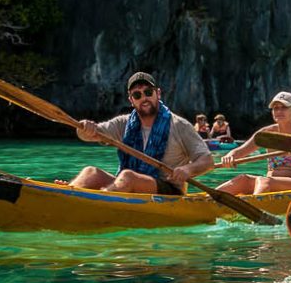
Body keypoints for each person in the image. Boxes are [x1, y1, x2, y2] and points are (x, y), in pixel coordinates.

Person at [70, 72, 213, 195]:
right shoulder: (123, 123)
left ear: (158, 93)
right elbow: (89, 135)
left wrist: (188, 169)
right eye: (137, 95)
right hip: (127, 183)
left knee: (128, 176)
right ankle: (69, 194)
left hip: (168, 189)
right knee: (91, 172)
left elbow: (207, 160)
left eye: (148, 92)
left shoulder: (179, 126)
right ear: (131, 100)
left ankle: (98, 203)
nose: (144, 98)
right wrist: (84, 128)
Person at [211, 91, 291, 194]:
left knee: (264, 181)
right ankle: (207, 199)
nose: (278, 111)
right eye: (275, 108)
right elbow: (240, 151)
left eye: (284, 108)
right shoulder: (266, 133)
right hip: (269, 180)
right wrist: (230, 156)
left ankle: (253, 206)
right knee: (242, 179)